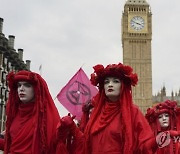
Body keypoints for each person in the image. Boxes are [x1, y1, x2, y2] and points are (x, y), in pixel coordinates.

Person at [59, 62, 157, 154]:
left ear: (123, 86)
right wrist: (72, 128)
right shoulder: (96, 113)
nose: (110, 84)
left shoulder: (133, 112)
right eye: (106, 82)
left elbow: (145, 144)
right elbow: (86, 144)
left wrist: (158, 142)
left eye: (115, 81)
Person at [2, 70, 63, 154]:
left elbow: (51, 147)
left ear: (36, 89)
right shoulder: (15, 114)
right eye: (19, 85)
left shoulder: (45, 117)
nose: (21, 89)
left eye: (27, 85)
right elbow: (11, 146)